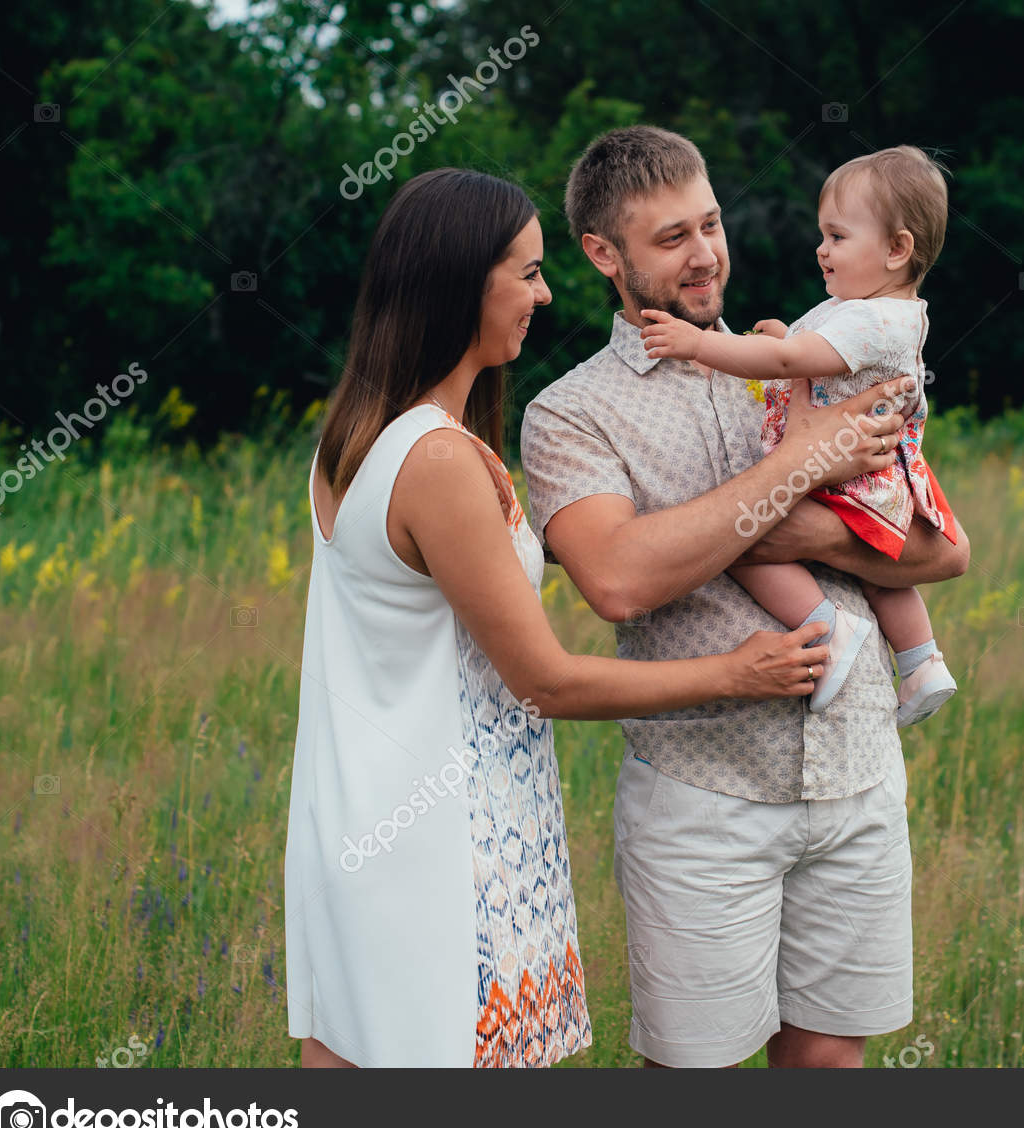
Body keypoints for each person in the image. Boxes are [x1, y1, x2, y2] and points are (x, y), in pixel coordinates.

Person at [283, 167, 890, 1068]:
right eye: (525, 273)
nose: (546, 291)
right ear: (461, 282)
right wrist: (738, 673)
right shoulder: (440, 459)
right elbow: (547, 679)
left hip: (366, 815)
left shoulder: (360, 435)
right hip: (442, 844)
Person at [521, 126, 970, 1069]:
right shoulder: (570, 412)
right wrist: (806, 469)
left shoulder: (810, 353)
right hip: (706, 795)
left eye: (712, 224)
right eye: (671, 237)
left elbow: (940, 551)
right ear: (604, 255)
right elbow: (618, 579)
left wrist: (790, 530)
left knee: (829, 1068)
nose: (705, 254)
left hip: (856, 771)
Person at [639, 145, 959, 726]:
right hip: (869, 471)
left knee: (736, 539)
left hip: (844, 467)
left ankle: (829, 629)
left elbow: (789, 364)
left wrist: (697, 344)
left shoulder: (872, 316)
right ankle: (920, 659)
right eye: (823, 235)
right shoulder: (874, 309)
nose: (822, 249)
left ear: (897, 249)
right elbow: (824, 363)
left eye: (837, 236)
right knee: (871, 567)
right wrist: (790, 336)